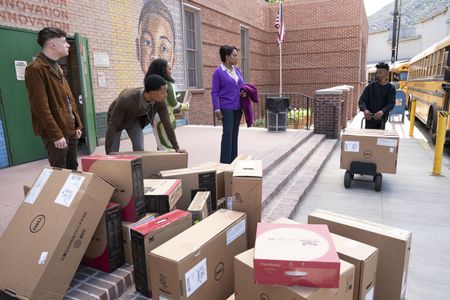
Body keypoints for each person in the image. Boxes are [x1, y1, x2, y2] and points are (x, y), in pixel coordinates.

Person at [25, 27, 82, 170]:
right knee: (59, 171)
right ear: (53, 45)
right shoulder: (36, 69)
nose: (68, 44)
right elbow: (40, 107)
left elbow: (68, 98)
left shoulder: (57, 67)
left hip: (69, 128)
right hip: (56, 131)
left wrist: (77, 125)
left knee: (73, 167)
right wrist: (56, 135)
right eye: (64, 41)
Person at [105, 74, 185, 154]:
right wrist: (108, 153)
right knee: (113, 151)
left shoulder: (160, 101)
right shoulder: (127, 98)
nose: (166, 95)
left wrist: (176, 148)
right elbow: (113, 125)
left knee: (139, 149)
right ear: (153, 93)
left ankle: (136, 166)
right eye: (163, 92)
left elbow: (167, 123)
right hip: (118, 121)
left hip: (134, 120)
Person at [146, 58, 190, 150]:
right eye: (169, 69)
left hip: (155, 118)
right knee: (168, 148)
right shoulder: (166, 84)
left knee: (160, 145)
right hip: (166, 117)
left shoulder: (150, 82)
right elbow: (173, 103)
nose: (171, 71)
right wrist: (185, 106)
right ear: (163, 70)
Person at [211, 45, 244, 164]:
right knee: (228, 133)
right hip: (226, 107)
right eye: (234, 55)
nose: (237, 58)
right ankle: (225, 163)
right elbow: (214, 92)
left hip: (238, 107)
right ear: (227, 57)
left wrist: (244, 93)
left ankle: (233, 161)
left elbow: (241, 86)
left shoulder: (237, 70)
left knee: (235, 134)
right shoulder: (218, 72)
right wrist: (216, 108)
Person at [136, 0, 175, 75]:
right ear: (138, 50)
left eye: (164, 48)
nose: (155, 56)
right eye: (147, 43)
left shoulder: (170, 85)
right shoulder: (149, 84)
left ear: (173, 61)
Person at [358, 62, 396, 129]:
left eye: (380, 73)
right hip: (369, 120)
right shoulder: (370, 87)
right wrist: (365, 110)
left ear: (387, 73)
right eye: (377, 73)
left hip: (382, 119)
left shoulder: (391, 88)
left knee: (379, 138)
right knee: (369, 138)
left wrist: (382, 111)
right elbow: (362, 100)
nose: (377, 75)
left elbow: (391, 104)